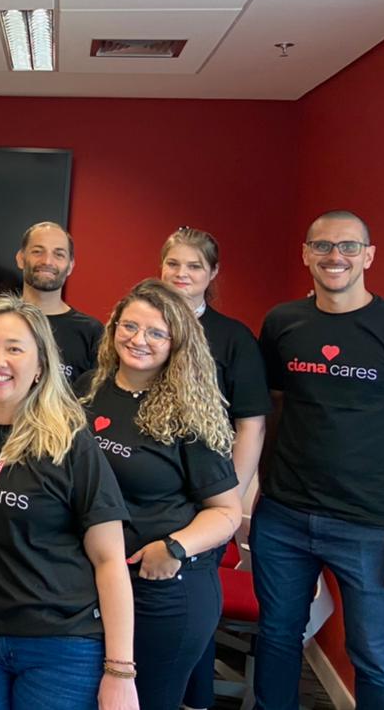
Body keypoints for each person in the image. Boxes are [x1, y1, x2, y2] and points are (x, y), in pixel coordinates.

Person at [0, 294, 137, 710]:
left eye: (14, 348)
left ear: (40, 364)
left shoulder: (68, 439)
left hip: (60, 644)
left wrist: (120, 671)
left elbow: (109, 559)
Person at [76, 280, 241, 710]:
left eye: (156, 333)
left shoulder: (189, 409)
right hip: (89, 582)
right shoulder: (89, 389)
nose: (138, 340)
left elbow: (226, 511)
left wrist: (174, 548)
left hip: (162, 591)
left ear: (176, 344)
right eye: (129, 326)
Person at [253, 210, 384, 709]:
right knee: (277, 637)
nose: (336, 256)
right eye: (324, 246)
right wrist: (256, 485)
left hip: (371, 525)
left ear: (369, 256)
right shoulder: (282, 322)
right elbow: (267, 409)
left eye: (349, 246)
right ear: (306, 254)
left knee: (376, 657)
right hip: (284, 516)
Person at [158, 227, 269, 710]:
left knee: (190, 608)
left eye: (194, 266)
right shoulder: (142, 325)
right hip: (144, 489)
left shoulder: (233, 338)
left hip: (205, 493)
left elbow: (251, 424)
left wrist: (232, 502)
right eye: (174, 264)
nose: (182, 275)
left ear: (212, 274)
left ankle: (190, 700)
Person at [16, 221, 103, 383]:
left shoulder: (91, 332)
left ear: (70, 266)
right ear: (21, 259)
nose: (47, 261)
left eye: (59, 254)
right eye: (37, 251)